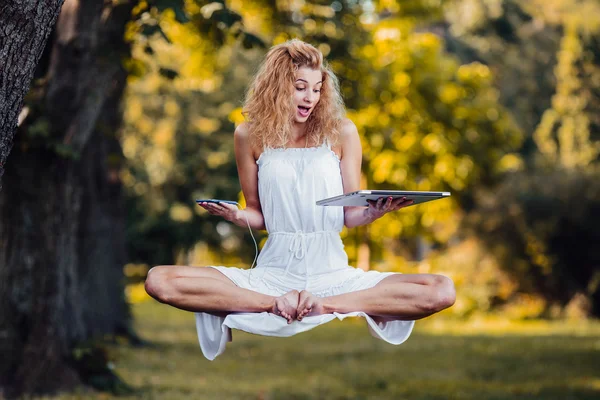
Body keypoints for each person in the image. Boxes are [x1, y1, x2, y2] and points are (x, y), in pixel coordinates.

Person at [144, 39, 456, 360]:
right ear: (277, 87)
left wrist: (379, 211)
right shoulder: (248, 135)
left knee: (442, 289)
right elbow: (257, 215)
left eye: (318, 89)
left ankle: (326, 306)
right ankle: (272, 305)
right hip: (273, 274)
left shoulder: (342, 132)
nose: (311, 97)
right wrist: (237, 216)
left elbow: (350, 216)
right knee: (159, 280)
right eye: (301, 87)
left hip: (334, 273)